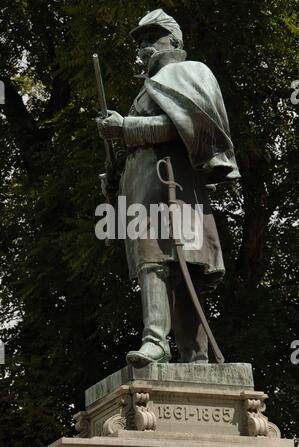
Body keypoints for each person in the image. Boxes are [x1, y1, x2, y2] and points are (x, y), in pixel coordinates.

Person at [96, 9, 240, 368]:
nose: (145, 47)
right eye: (142, 41)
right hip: (144, 188)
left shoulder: (188, 73)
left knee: (178, 266)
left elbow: (187, 126)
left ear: (174, 42)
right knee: (154, 263)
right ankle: (168, 346)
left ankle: (175, 348)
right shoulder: (148, 87)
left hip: (173, 187)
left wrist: (126, 126)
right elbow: (138, 145)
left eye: (152, 38)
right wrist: (114, 173)